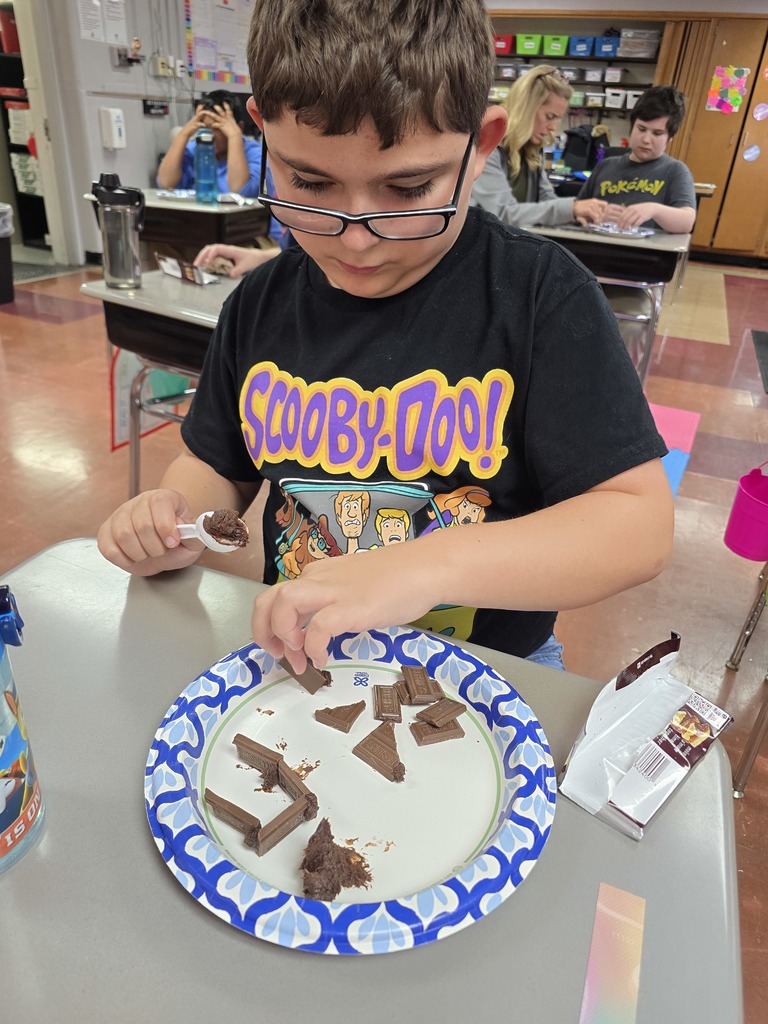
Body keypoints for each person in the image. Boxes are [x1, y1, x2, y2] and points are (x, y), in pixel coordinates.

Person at [97, 0, 673, 677]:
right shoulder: (260, 304)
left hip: (487, 667)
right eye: (309, 182)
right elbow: (214, 466)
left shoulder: (543, 297)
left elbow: (638, 527)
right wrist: (175, 519)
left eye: (408, 188)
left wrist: (427, 566)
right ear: (262, 133)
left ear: (482, 143)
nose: (356, 236)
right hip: (300, 650)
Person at [471, 65, 607, 228]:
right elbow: (503, 214)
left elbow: (547, 200)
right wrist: (571, 208)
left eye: (557, 119)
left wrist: (577, 215)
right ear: (526, 108)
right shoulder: (486, 149)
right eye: (550, 117)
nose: (553, 127)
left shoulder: (529, 152)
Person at [577, 85, 696, 233]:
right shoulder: (605, 166)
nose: (646, 139)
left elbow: (686, 222)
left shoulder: (675, 171)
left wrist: (654, 210)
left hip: (644, 253)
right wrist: (593, 214)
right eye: (641, 129)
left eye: (657, 133)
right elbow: (577, 210)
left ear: (670, 138)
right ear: (631, 127)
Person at [156, 90, 260, 197]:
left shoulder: (257, 154)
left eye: (217, 128)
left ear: (239, 127)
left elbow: (241, 192)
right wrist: (184, 134)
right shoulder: (195, 148)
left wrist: (234, 136)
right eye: (205, 128)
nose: (211, 135)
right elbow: (165, 183)